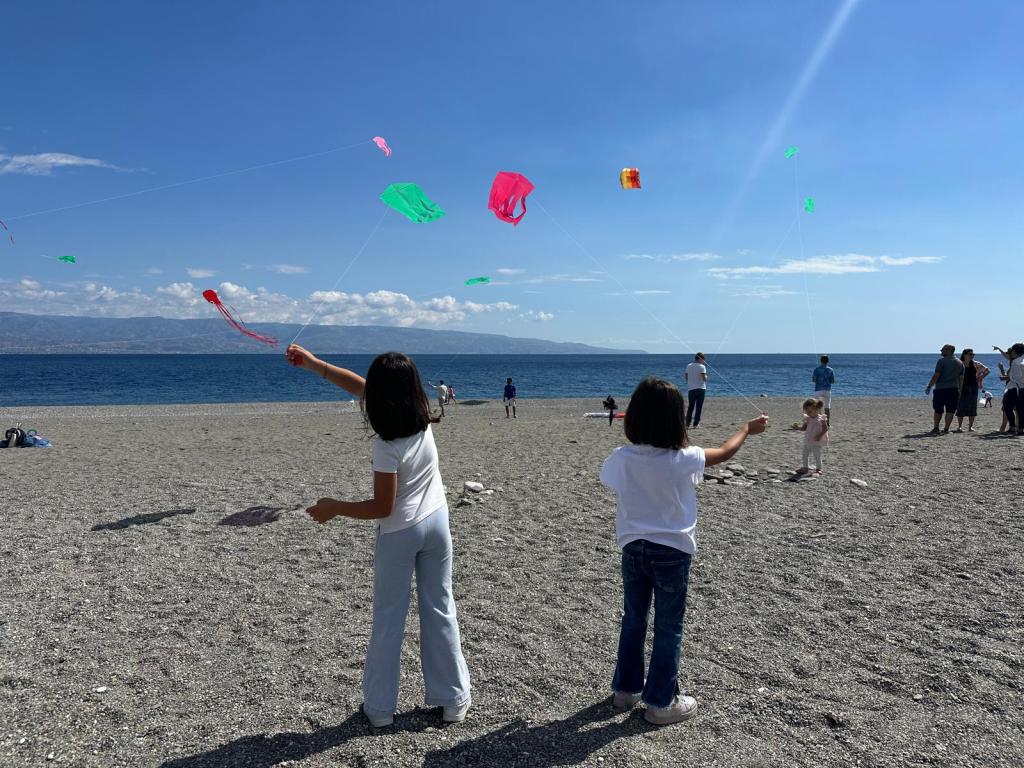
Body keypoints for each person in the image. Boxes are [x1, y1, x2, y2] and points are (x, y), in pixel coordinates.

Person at [285, 345, 471, 727]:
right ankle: (454, 701)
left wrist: (335, 506)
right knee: (440, 610)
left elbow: (382, 507)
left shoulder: (385, 446)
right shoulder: (422, 417)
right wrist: (316, 364)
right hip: (437, 525)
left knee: (389, 619)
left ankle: (381, 710)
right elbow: (363, 386)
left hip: (399, 533)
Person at [600, 377, 768, 726]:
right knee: (668, 626)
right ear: (677, 420)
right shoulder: (686, 458)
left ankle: (626, 690)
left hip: (633, 549)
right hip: (673, 552)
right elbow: (724, 452)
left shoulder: (622, 458)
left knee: (633, 619)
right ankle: (661, 702)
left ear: (635, 417)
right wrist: (745, 430)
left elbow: (612, 481)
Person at [924, 344, 964, 434]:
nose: (941, 351)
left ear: (949, 350)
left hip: (941, 389)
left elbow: (936, 375)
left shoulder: (941, 361)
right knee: (950, 410)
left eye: (943, 349)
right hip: (954, 389)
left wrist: (929, 386)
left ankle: (936, 427)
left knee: (938, 409)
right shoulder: (960, 363)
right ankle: (946, 429)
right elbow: (961, 378)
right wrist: (960, 390)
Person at [954, 349, 989, 432]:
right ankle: (959, 426)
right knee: (960, 407)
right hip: (961, 388)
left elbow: (987, 370)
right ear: (965, 355)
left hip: (973, 387)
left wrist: (981, 377)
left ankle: (970, 427)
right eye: (970, 354)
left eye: (973, 354)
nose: (972, 356)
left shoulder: (976, 364)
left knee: (972, 407)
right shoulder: (959, 363)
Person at [994, 343, 1024, 435]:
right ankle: (1019, 429)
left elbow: (1015, 378)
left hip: (1015, 388)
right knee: (1020, 409)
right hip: (1020, 388)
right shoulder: (1021, 360)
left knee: (1007, 407)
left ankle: (1013, 427)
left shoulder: (1016, 363)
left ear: (1014, 352)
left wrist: (1004, 377)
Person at [795, 397, 829, 475]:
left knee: (817, 455)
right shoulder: (807, 418)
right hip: (808, 440)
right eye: (806, 411)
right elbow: (804, 428)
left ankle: (819, 468)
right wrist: (798, 428)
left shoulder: (821, 419)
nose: (808, 413)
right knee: (804, 455)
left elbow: (825, 429)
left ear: (818, 409)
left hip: (816, 441)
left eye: (810, 411)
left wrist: (819, 436)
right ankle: (805, 468)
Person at [683, 353, 707, 428]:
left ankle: (687, 424)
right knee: (698, 407)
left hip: (691, 389)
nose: (704, 361)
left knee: (691, 407)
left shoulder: (688, 365)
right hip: (700, 389)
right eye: (703, 359)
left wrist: (689, 383)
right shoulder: (702, 366)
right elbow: (704, 378)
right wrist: (706, 377)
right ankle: (695, 424)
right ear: (700, 358)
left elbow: (686, 376)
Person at [811, 355, 836, 424]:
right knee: (827, 407)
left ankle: (820, 422)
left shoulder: (816, 369)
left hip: (818, 390)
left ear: (821, 360)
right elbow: (833, 381)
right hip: (827, 390)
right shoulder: (831, 370)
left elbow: (813, 380)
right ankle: (827, 423)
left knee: (818, 407)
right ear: (827, 361)